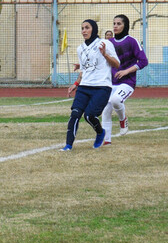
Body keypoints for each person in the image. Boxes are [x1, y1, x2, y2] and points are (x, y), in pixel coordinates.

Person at [62, 19, 120, 151]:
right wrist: (76, 84)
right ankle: (68, 145)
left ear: (94, 29)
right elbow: (84, 70)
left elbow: (117, 64)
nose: (84, 31)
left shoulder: (104, 43)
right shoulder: (80, 48)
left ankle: (100, 133)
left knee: (89, 116)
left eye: (87, 28)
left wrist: (105, 55)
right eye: (82, 28)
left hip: (101, 87)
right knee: (75, 114)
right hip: (84, 87)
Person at [102, 14, 148, 145]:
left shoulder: (132, 41)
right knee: (105, 110)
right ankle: (107, 141)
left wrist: (126, 71)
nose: (115, 26)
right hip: (110, 82)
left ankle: (123, 120)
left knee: (116, 100)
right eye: (114, 23)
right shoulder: (108, 43)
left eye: (119, 24)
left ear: (125, 26)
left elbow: (144, 61)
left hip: (127, 82)